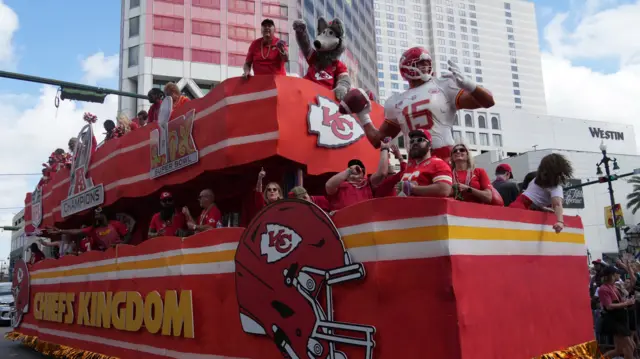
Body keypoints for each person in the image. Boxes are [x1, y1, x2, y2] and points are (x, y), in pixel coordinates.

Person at [348, 47, 495, 163]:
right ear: (406, 67)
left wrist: (470, 85)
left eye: (427, 63)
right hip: (415, 160)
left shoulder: (443, 85)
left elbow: (488, 101)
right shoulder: (395, 101)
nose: (425, 67)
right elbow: (378, 141)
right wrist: (363, 115)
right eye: (420, 63)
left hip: (444, 156)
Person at [509, 153, 573, 233]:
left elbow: (533, 200)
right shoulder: (555, 187)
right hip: (525, 211)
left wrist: (543, 208)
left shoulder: (534, 181)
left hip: (515, 206)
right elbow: (557, 204)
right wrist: (560, 221)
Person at [395, 129, 452, 197]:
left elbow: (444, 190)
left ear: (430, 145)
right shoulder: (409, 167)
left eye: (420, 140)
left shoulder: (438, 163)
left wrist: (412, 188)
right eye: (412, 141)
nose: (415, 143)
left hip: (427, 207)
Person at [599, 265, 636, 359]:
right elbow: (609, 306)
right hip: (614, 321)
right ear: (612, 275)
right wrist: (626, 303)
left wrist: (626, 302)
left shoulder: (614, 287)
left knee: (619, 350)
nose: (618, 274)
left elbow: (633, 281)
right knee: (629, 347)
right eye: (616, 273)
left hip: (620, 320)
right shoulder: (603, 289)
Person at [49, 208, 128, 251]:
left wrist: (121, 245)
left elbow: (128, 235)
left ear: (104, 214)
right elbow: (76, 231)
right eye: (95, 214)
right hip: (108, 257)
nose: (96, 215)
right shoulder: (93, 229)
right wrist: (60, 231)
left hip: (122, 253)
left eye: (98, 213)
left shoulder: (115, 224)